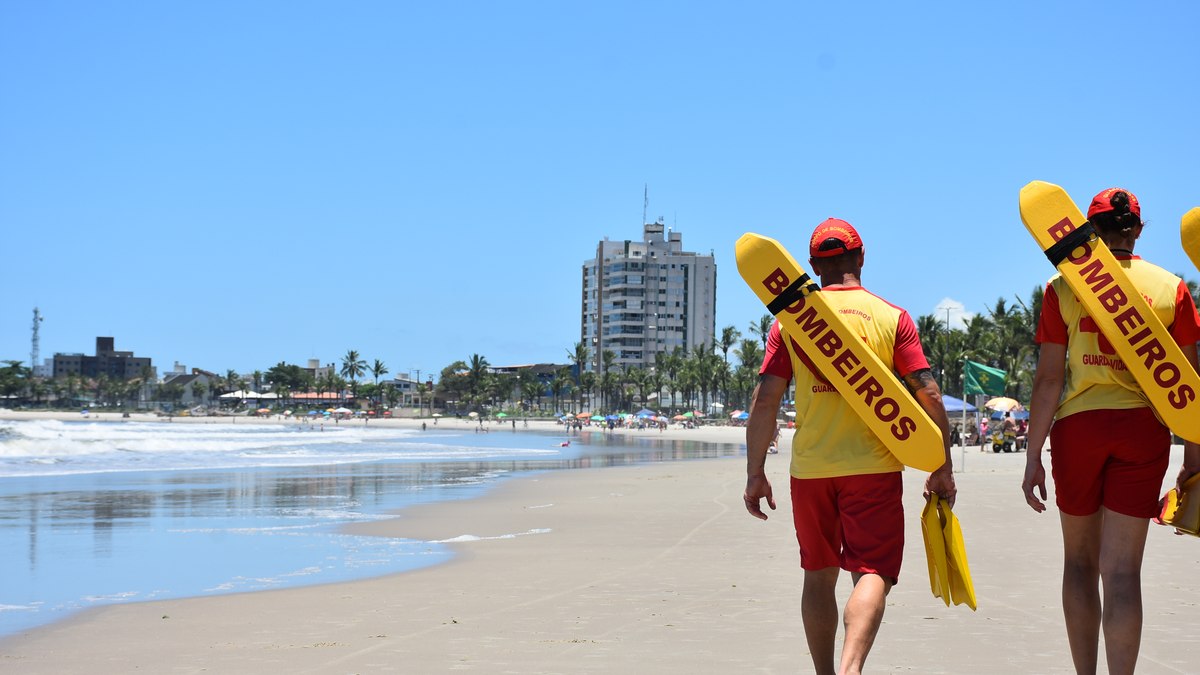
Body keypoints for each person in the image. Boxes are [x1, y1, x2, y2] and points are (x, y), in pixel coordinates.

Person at [745, 218, 956, 675]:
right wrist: (942, 465)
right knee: (873, 571)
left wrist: (755, 471)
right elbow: (929, 394)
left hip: (811, 469)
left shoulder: (791, 322)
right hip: (873, 467)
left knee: (818, 576)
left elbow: (765, 401)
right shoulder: (890, 317)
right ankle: (851, 668)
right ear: (861, 257)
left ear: (812, 266)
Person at [1021, 187, 1200, 675]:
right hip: (1143, 430)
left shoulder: (1062, 287)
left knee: (1079, 563)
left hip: (1078, 431)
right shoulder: (1171, 288)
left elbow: (1049, 379)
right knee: (1122, 572)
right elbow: (1189, 383)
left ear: (1089, 231)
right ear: (1138, 230)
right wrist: (1193, 458)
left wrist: (1033, 455)